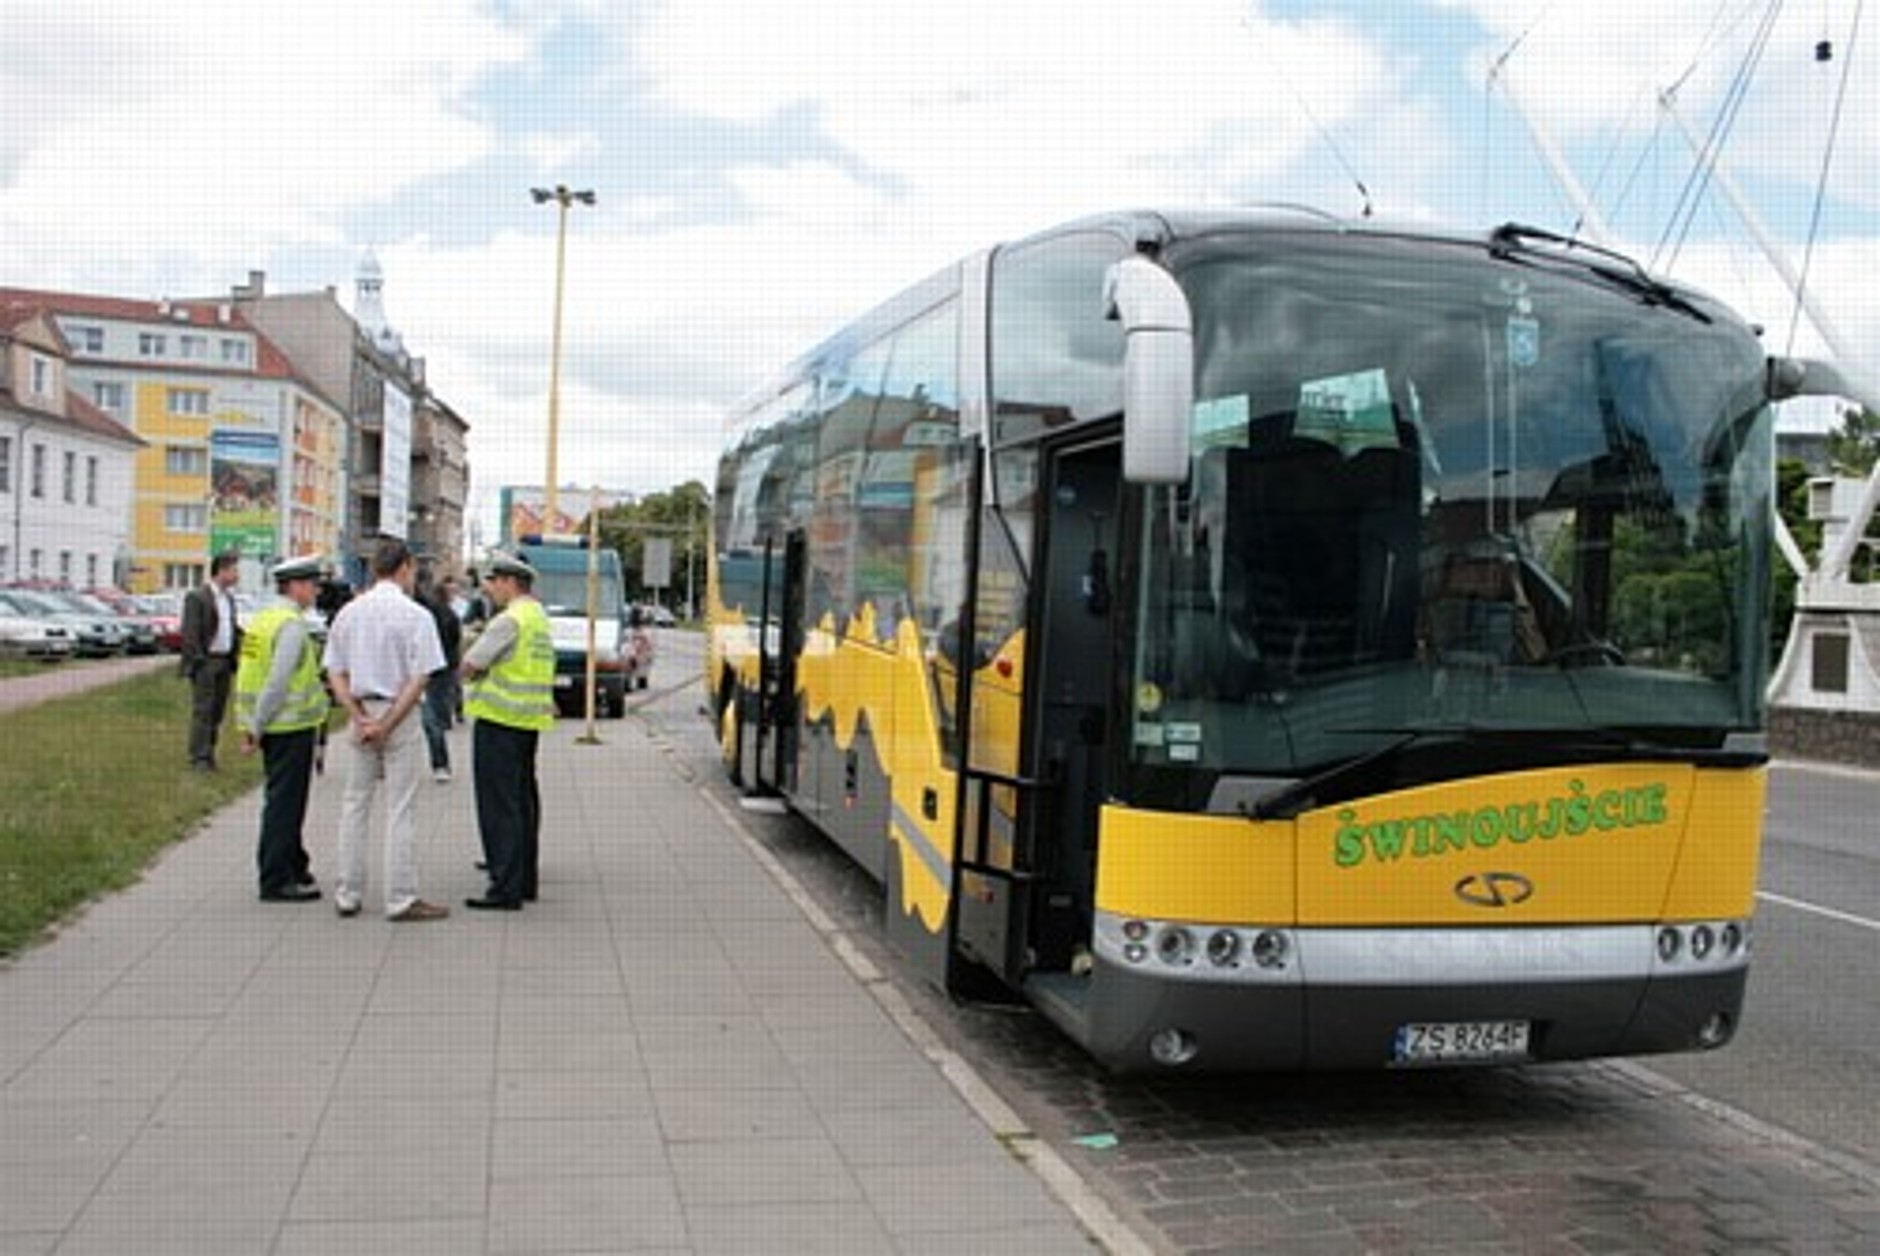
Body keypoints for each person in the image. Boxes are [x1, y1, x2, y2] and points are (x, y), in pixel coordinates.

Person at [323, 539, 449, 923]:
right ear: (406, 567)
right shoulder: (416, 616)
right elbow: (420, 677)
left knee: (355, 804)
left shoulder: (348, 613)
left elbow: (335, 671)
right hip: (399, 713)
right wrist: (387, 722)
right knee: (400, 807)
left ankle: (348, 892)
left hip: (360, 711)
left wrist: (359, 716)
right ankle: (400, 897)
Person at [459, 551, 555, 911]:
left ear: (510, 582)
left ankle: (504, 887)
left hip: (499, 721)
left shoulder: (508, 621)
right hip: (528, 722)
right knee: (522, 803)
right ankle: (523, 879)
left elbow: (470, 664)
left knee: (499, 808)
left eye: (494, 582)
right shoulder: (537, 617)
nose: (490, 589)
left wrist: (470, 669)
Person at [234, 555, 330, 903]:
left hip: (273, 723)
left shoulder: (264, 619)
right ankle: (275, 879)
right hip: (288, 725)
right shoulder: (290, 625)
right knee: (285, 805)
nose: (316, 591)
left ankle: (294, 864)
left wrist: (253, 723)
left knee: (284, 800)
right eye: (312, 584)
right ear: (295, 586)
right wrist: (257, 727)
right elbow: (277, 682)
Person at [181, 550, 243, 771]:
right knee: (203, 710)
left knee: (217, 710)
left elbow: (230, 627)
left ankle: (210, 753)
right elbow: (190, 632)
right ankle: (199, 757)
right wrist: (198, 660)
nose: (237, 575)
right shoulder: (198, 597)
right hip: (206, 661)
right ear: (222, 570)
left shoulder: (228, 599)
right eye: (234, 570)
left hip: (224, 661)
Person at [418, 572, 463, 779]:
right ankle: (441, 765)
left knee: (429, 718)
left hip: (428, 669)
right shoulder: (449, 615)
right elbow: (455, 642)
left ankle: (440, 764)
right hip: (441, 669)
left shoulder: (428, 614)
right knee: (434, 717)